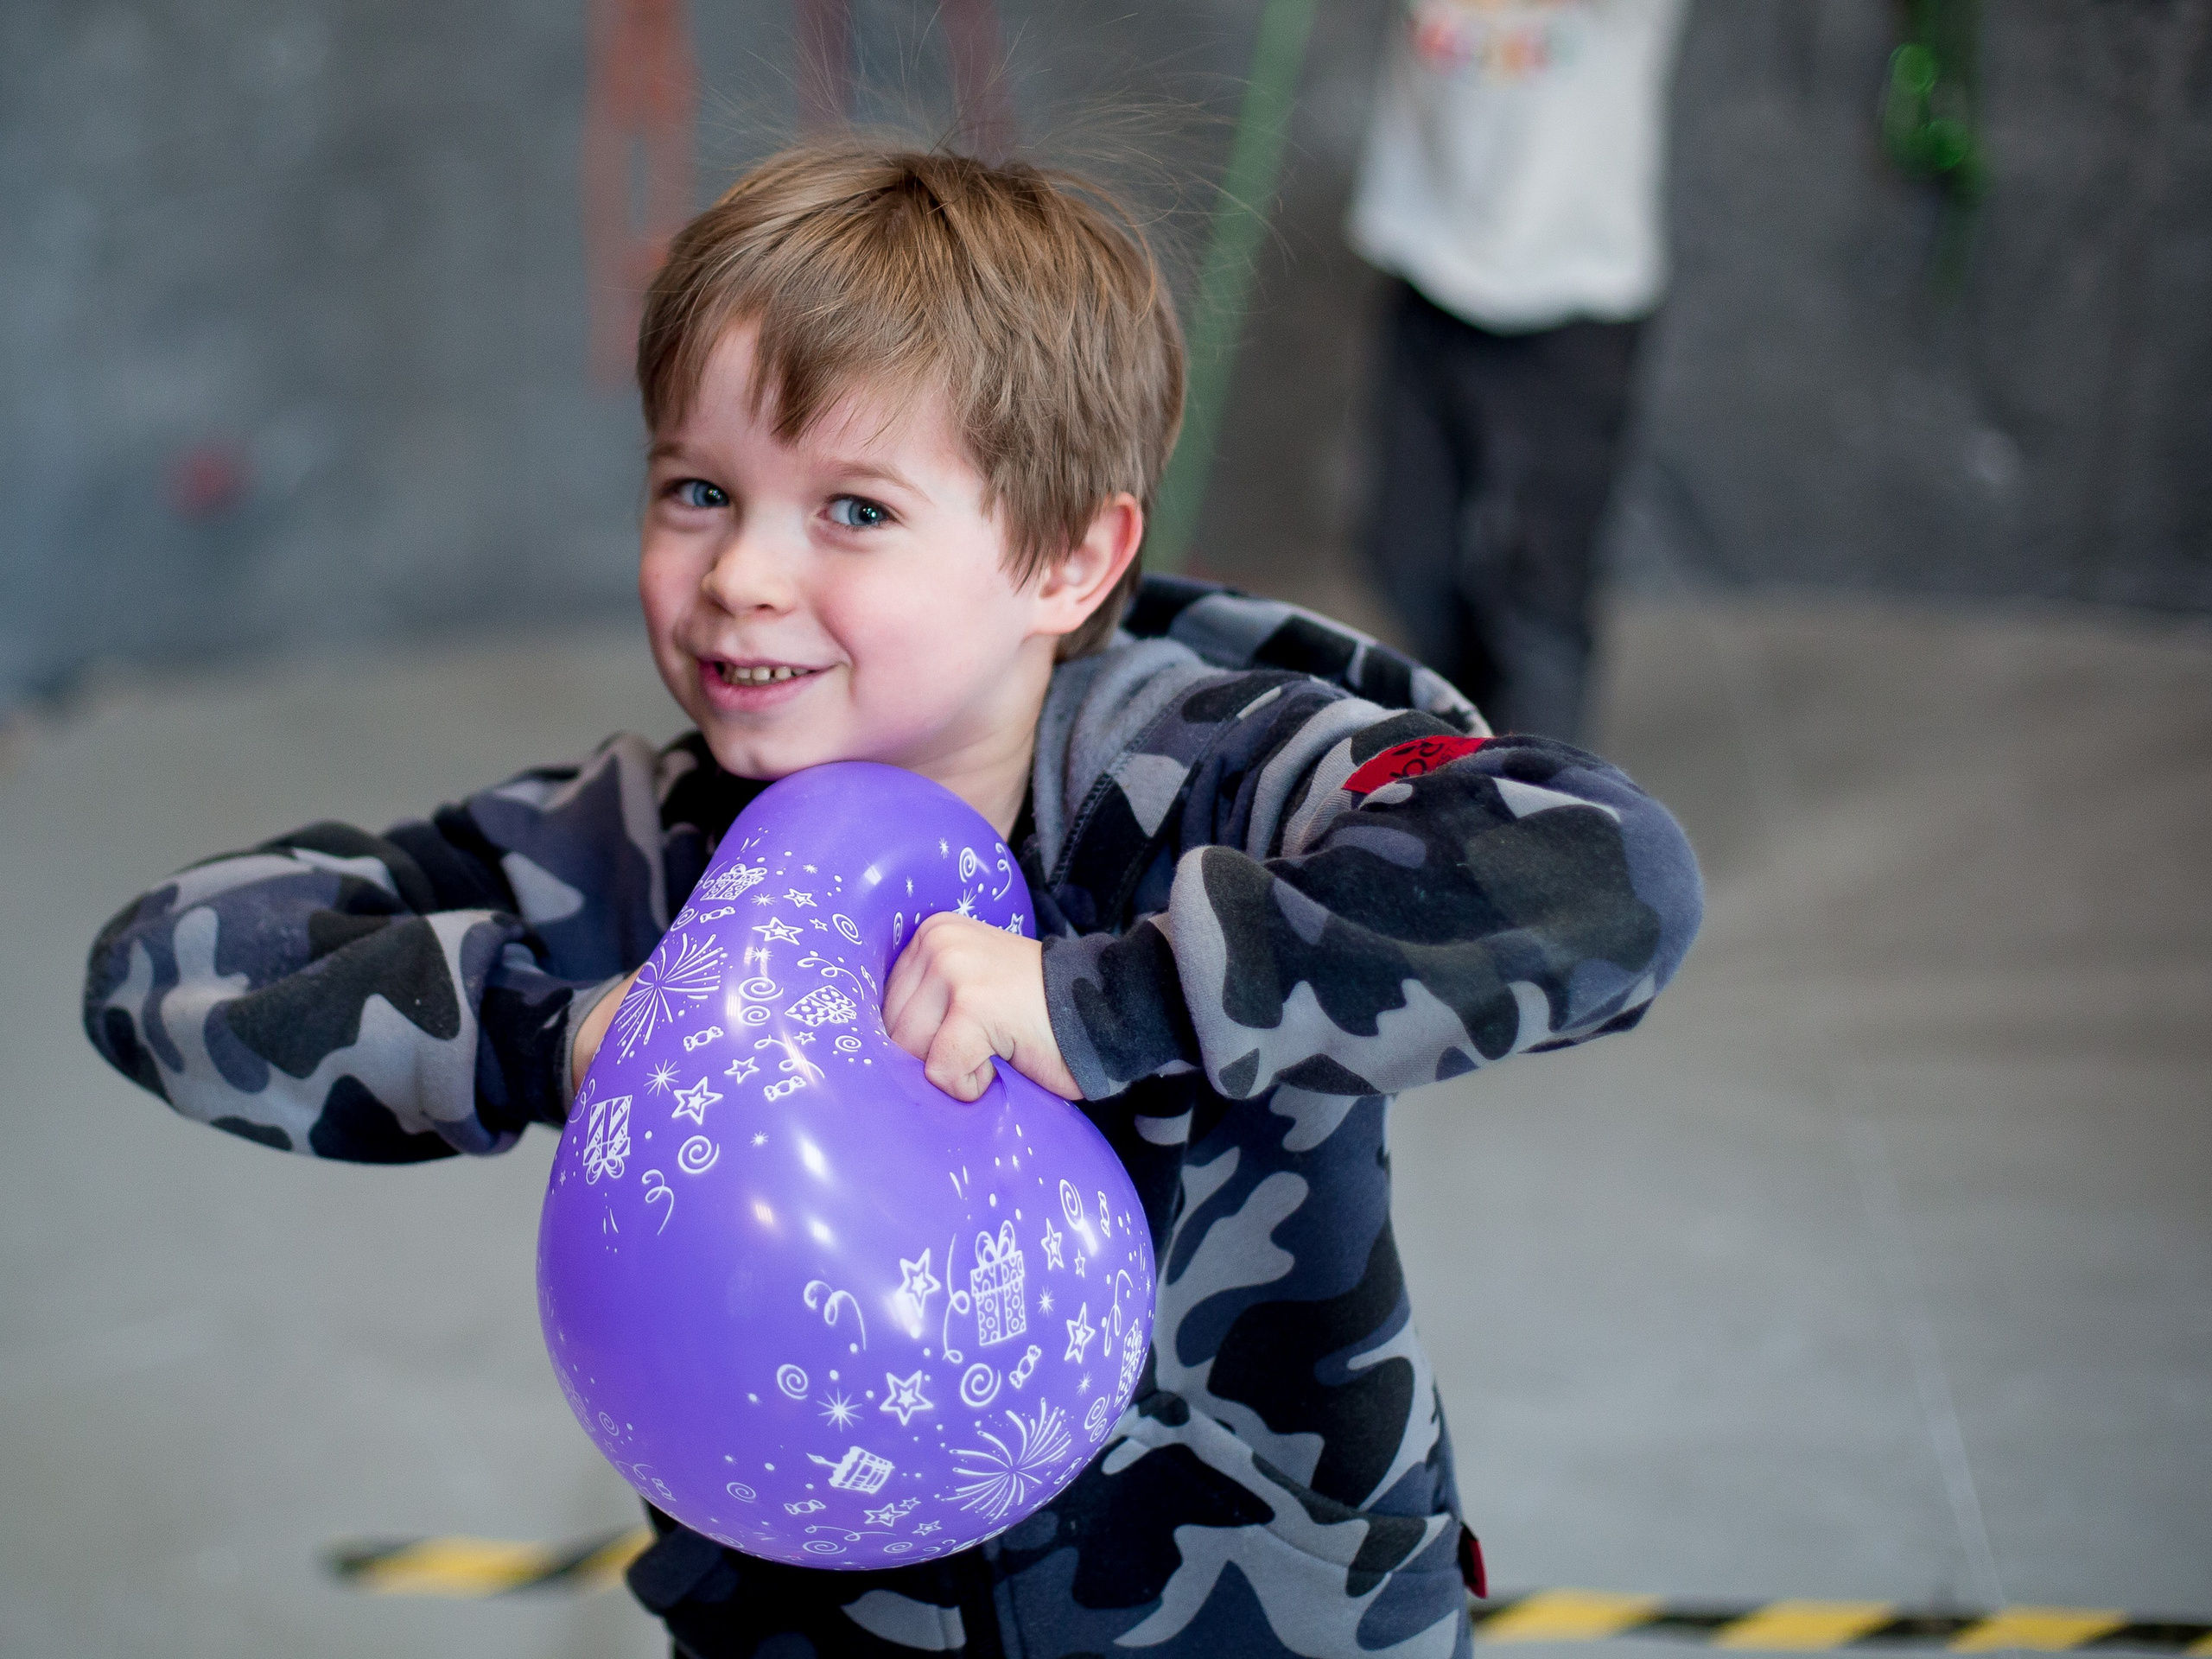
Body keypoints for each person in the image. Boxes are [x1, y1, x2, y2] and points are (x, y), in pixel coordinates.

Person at [82, 143, 1702, 1657]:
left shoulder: (1220, 772)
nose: (741, 576)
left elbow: (1602, 874)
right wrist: (553, 1038)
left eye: (853, 509)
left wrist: (1105, 999)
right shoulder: (647, 838)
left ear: (1070, 557)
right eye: (695, 490)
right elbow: (167, 967)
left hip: (1264, 1619)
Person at [1349, 0, 1694, 742]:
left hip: (1573, 296)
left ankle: (1541, 822)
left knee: (1540, 604)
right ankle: (1465, 756)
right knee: (1406, 559)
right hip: (1431, 266)